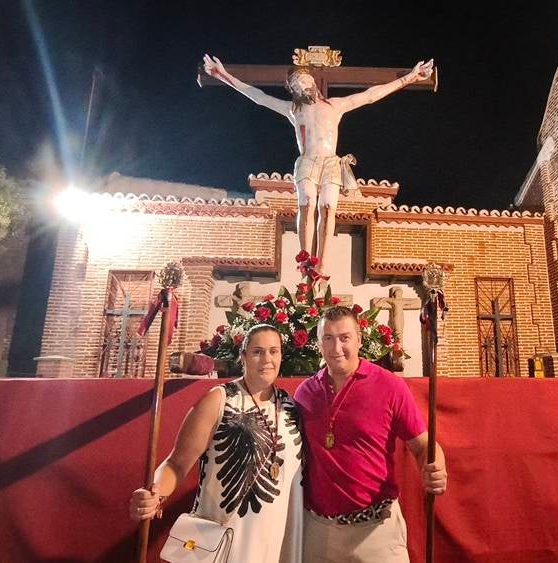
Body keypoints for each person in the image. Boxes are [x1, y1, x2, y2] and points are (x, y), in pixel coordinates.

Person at [201, 54, 434, 275]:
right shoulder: (293, 110)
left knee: (328, 208)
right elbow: (257, 96)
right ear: (293, 90)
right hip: (307, 162)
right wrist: (222, 74)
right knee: (307, 203)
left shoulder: (335, 105)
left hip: (331, 163)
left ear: (312, 81)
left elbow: (371, 95)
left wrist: (410, 77)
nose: (302, 85)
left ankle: (322, 264)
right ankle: (305, 259)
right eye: (296, 84)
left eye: (304, 79)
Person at [129, 324, 303, 562]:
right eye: (257, 352)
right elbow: (177, 463)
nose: (267, 359)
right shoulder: (219, 400)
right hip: (225, 539)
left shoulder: (290, 406)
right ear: (243, 356)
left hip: (277, 539)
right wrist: (155, 493)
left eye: (274, 351)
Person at [293, 306, 447, 563]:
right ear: (319, 343)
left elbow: (423, 446)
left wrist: (436, 467)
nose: (336, 347)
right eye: (328, 338)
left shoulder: (390, 386)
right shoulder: (305, 393)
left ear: (359, 340)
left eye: (344, 337)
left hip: (377, 531)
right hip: (320, 531)